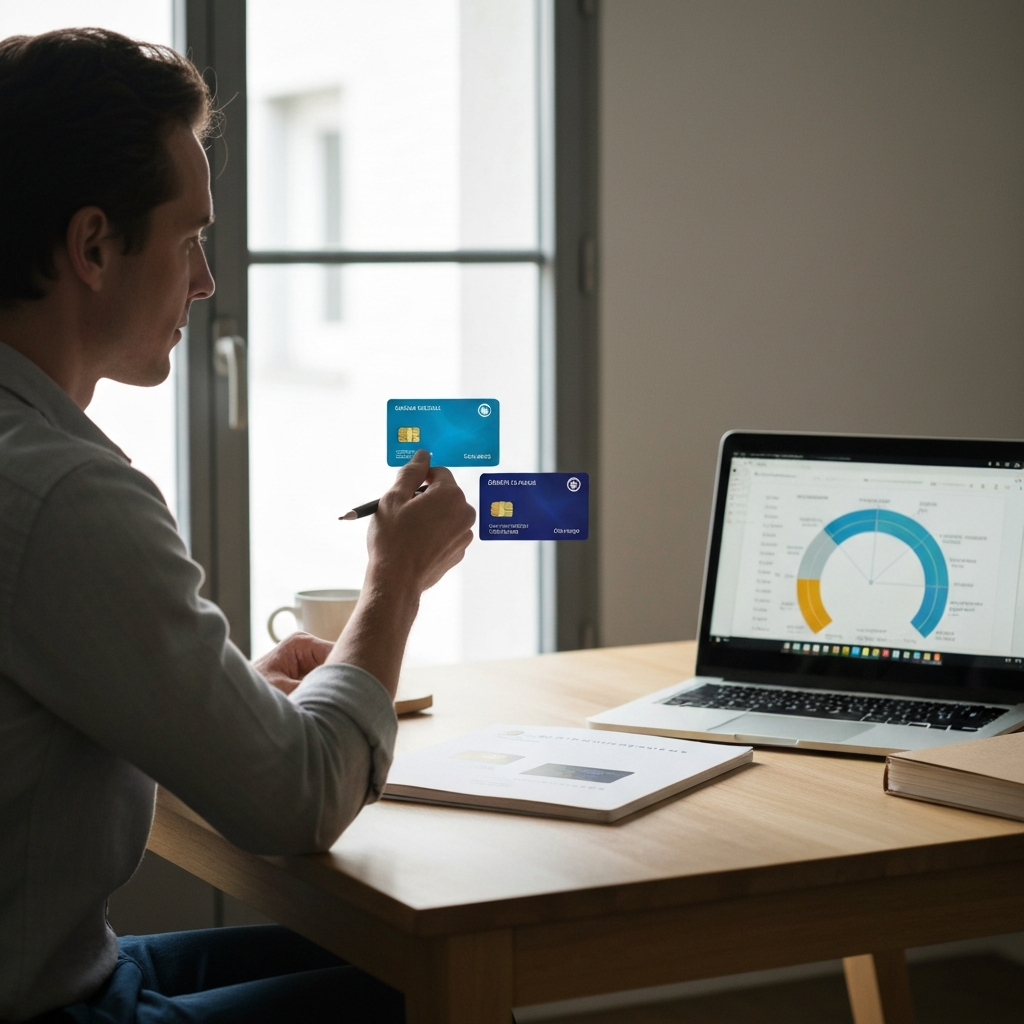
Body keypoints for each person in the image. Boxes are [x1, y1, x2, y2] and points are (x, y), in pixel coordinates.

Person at [0, 27, 475, 1024]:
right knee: (453, 987)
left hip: (60, 965)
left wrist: (213, 708)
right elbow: (298, 801)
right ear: (92, 245)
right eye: (189, 238)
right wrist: (393, 583)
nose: (206, 283)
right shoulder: (62, 495)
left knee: (410, 962)